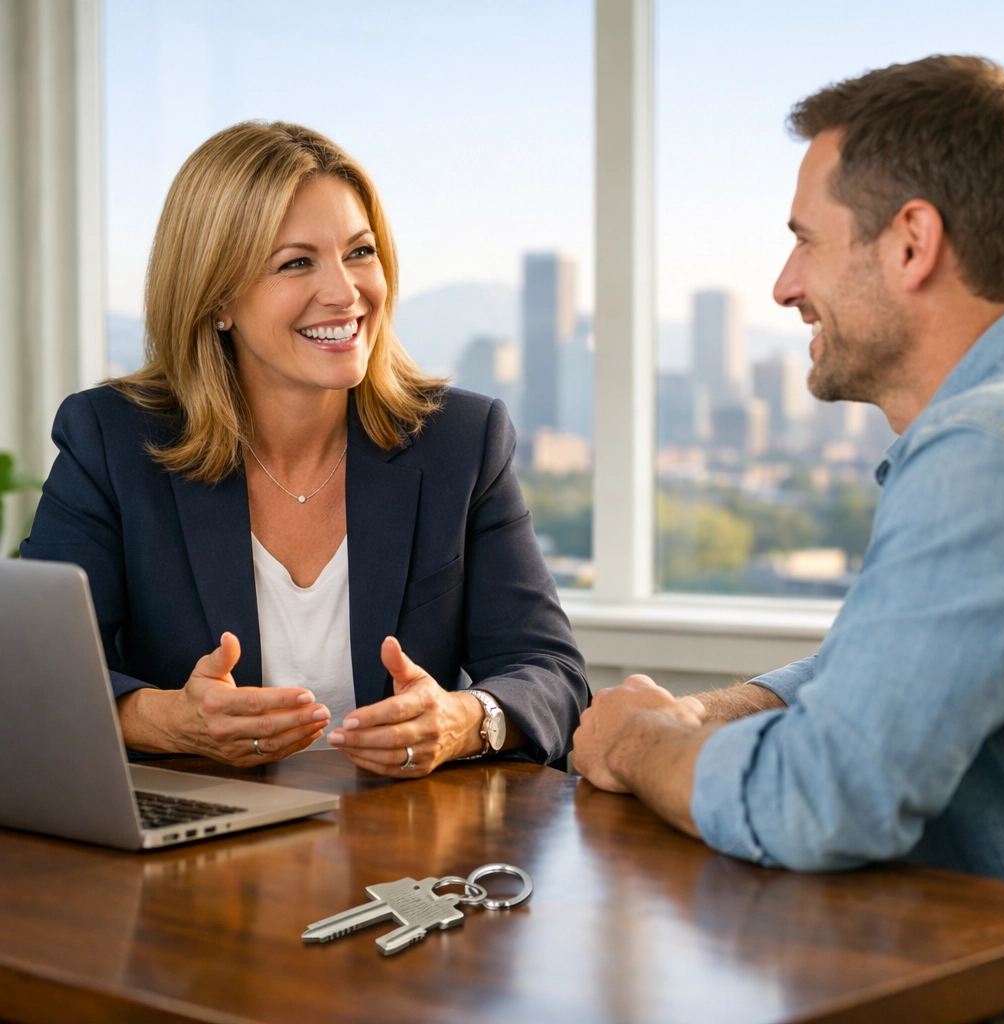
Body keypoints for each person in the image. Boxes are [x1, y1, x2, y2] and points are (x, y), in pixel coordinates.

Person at [573, 55, 1004, 881]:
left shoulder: (986, 451)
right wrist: (702, 712)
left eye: (806, 242)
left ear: (912, 244)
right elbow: (898, 662)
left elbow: (819, 799)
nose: (785, 288)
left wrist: (637, 740)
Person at [23, 121, 588, 776]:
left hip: (403, 854)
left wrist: (465, 720)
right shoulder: (111, 441)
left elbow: (552, 676)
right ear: (216, 299)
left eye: (359, 252)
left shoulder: (461, 440)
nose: (346, 293)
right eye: (297, 262)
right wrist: (165, 718)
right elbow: (37, 679)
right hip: (200, 856)